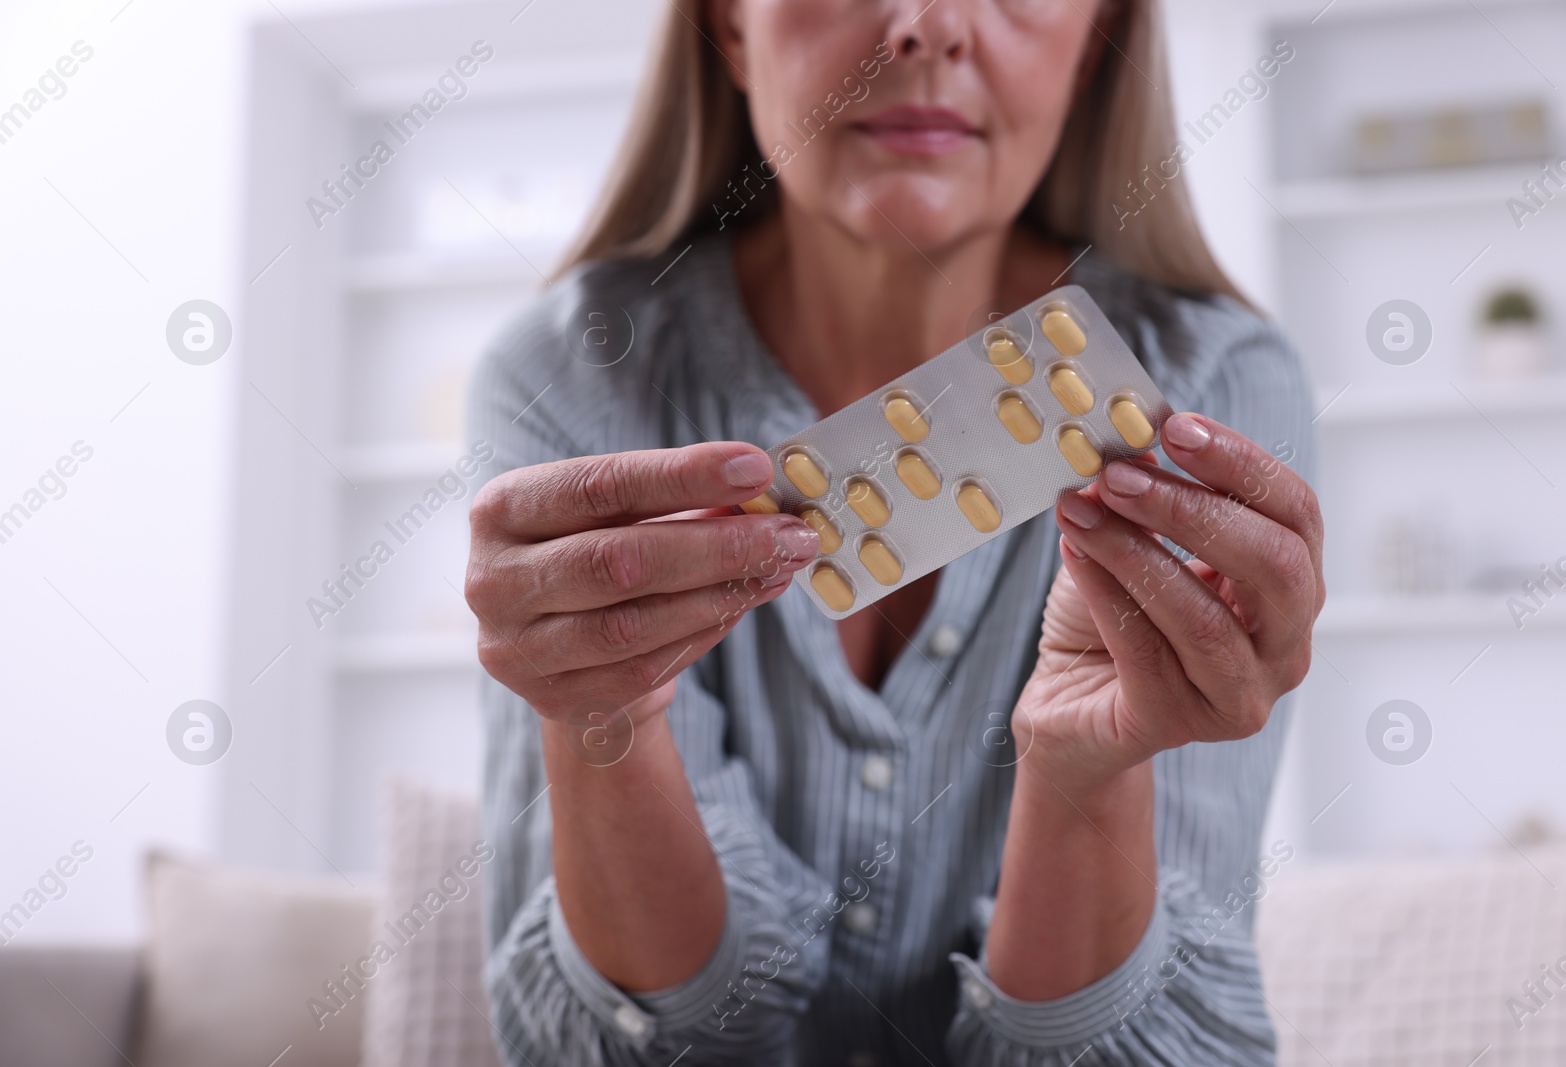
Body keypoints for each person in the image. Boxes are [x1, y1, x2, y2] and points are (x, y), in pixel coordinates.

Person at [464, 0, 1323, 1063]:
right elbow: (634, 1047)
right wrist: (607, 721)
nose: (925, 27)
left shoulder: (1210, 386)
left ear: (1098, 35)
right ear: (729, 26)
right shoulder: (574, 374)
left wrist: (1081, 773)